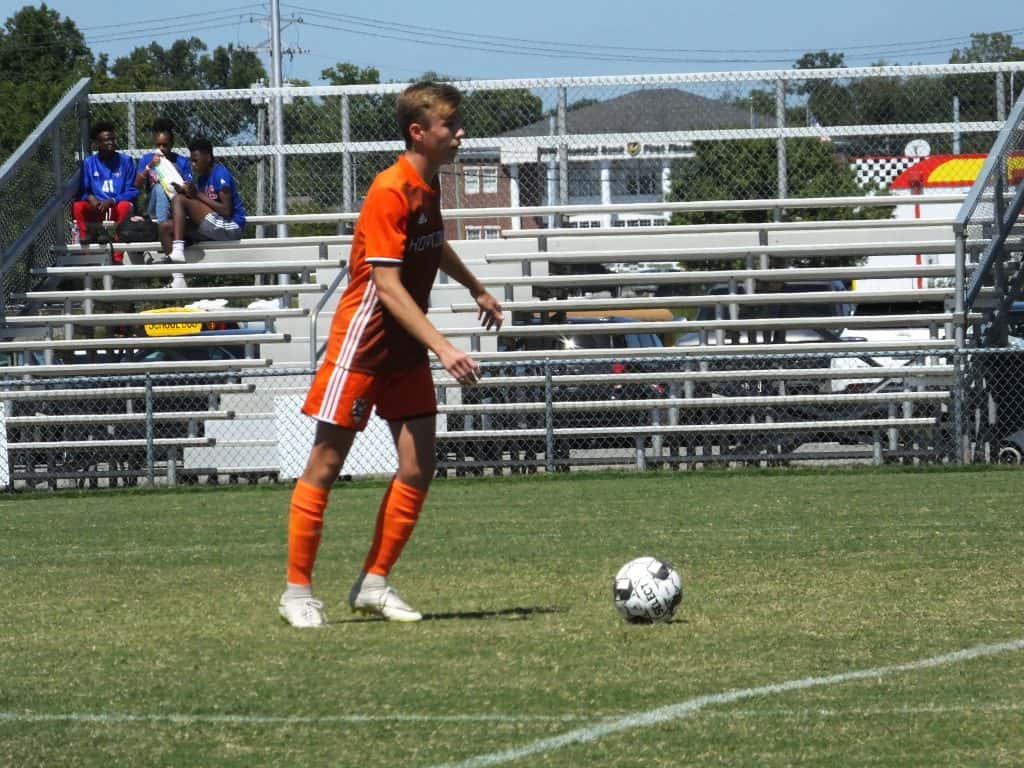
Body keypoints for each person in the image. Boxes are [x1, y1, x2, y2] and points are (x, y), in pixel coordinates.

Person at [278, 81, 504, 628]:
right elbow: (386, 286)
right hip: (363, 347)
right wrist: (443, 346)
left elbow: (433, 243)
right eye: (450, 125)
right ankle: (296, 592)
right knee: (326, 464)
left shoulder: (428, 186)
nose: (460, 133)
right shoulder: (389, 189)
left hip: (404, 349)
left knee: (419, 464)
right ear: (418, 132)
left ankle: (374, 583)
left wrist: (475, 287)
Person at [156, 136, 246, 288]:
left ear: (208, 157)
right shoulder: (202, 179)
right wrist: (187, 194)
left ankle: (178, 249)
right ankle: (178, 279)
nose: (193, 164)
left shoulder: (220, 174)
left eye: (195, 160)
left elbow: (226, 210)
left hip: (231, 227)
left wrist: (195, 195)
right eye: (191, 161)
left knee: (179, 200)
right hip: (212, 226)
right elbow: (201, 206)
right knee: (165, 227)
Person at [72, 121, 138, 261]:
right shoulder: (89, 163)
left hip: (116, 207)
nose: (111, 142)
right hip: (98, 208)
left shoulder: (126, 161)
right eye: (107, 140)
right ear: (97, 143)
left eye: (112, 139)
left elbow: (132, 191)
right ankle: (86, 253)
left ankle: (117, 256)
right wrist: (91, 198)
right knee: (78, 206)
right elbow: (83, 190)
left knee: (125, 206)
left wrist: (113, 200)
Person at [134, 116, 192, 227]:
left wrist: (179, 182)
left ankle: (164, 226)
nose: (161, 148)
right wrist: (149, 166)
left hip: (176, 202)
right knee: (159, 187)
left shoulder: (181, 161)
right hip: (153, 205)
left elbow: (189, 188)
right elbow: (137, 184)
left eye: (165, 145)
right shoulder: (147, 159)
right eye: (158, 145)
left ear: (172, 143)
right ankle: (162, 225)